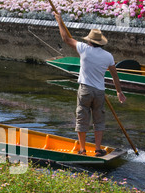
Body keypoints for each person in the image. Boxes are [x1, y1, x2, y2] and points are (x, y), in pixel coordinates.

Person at [54, 12, 126, 156]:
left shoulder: (84, 49)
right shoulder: (108, 56)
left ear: (89, 41)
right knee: (98, 120)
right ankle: (98, 149)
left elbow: (65, 38)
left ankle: (82, 149)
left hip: (85, 90)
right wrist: (119, 91)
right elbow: (114, 75)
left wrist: (59, 21)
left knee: (82, 117)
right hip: (99, 92)